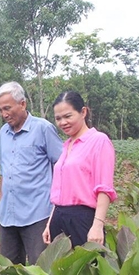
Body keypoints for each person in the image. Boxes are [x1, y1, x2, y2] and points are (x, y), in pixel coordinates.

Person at [0, 81, 63, 275]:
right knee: (9, 274)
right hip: (8, 215)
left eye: (7, 108)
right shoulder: (3, 133)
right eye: (0, 110)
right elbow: (3, 171)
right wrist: (1, 204)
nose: (4, 114)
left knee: (41, 273)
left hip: (37, 213)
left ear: (22, 104)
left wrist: (56, 207)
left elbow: (61, 166)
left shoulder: (43, 129)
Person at [42, 91, 116, 248]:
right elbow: (60, 190)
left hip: (83, 219)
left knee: (86, 268)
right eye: (58, 118)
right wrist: (50, 222)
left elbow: (104, 188)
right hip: (59, 217)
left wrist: (97, 225)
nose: (63, 122)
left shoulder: (98, 141)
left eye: (68, 116)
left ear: (83, 112)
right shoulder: (66, 145)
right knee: (60, 271)